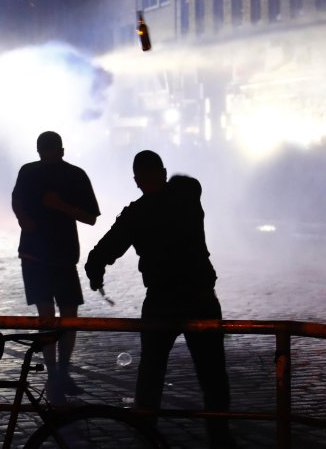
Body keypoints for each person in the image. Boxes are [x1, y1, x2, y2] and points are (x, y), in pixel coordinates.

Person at [84, 150, 235, 448]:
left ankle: (146, 433)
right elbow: (189, 183)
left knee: (151, 374)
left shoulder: (136, 214)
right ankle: (220, 438)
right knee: (213, 375)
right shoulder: (187, 197)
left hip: (161, 299)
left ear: (136, 180)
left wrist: (95, 273)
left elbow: (102, 252)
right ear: (163, 173)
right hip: (199, 297)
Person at [11, 131, 100, 403]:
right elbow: (17, 201)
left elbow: (90, 217)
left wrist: (57, 207)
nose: (48, 156)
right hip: (44, 256)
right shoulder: (65, 174)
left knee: (59, 315)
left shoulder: (60, 174)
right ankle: (57, 373)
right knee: (55, 315)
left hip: (53, 256)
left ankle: (59, 371)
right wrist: (23, 217)